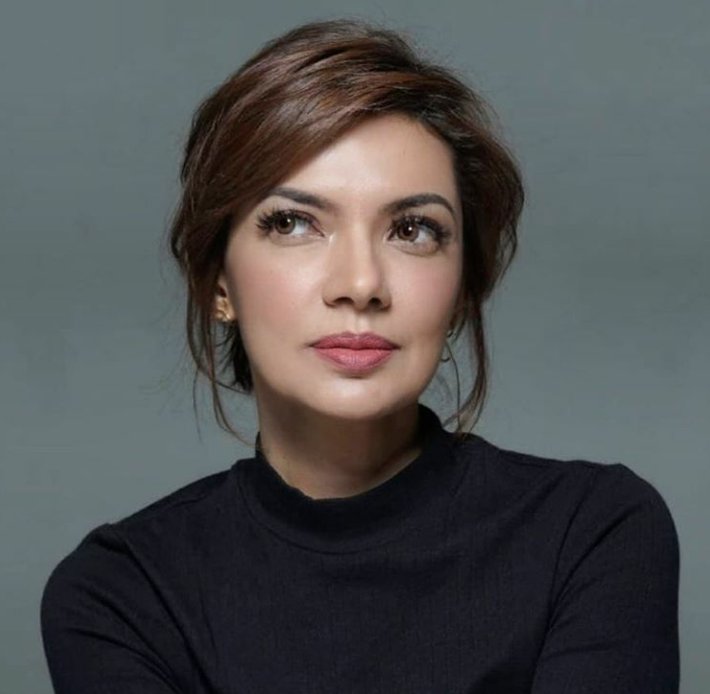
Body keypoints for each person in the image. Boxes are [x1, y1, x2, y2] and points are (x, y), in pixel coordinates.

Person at [40, 18, 680, 693]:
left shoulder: (592, 532)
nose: (360, 283)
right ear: (218, 283)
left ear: (462, 289)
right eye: (293, 223)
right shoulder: (122, 594)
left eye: (413, 230)